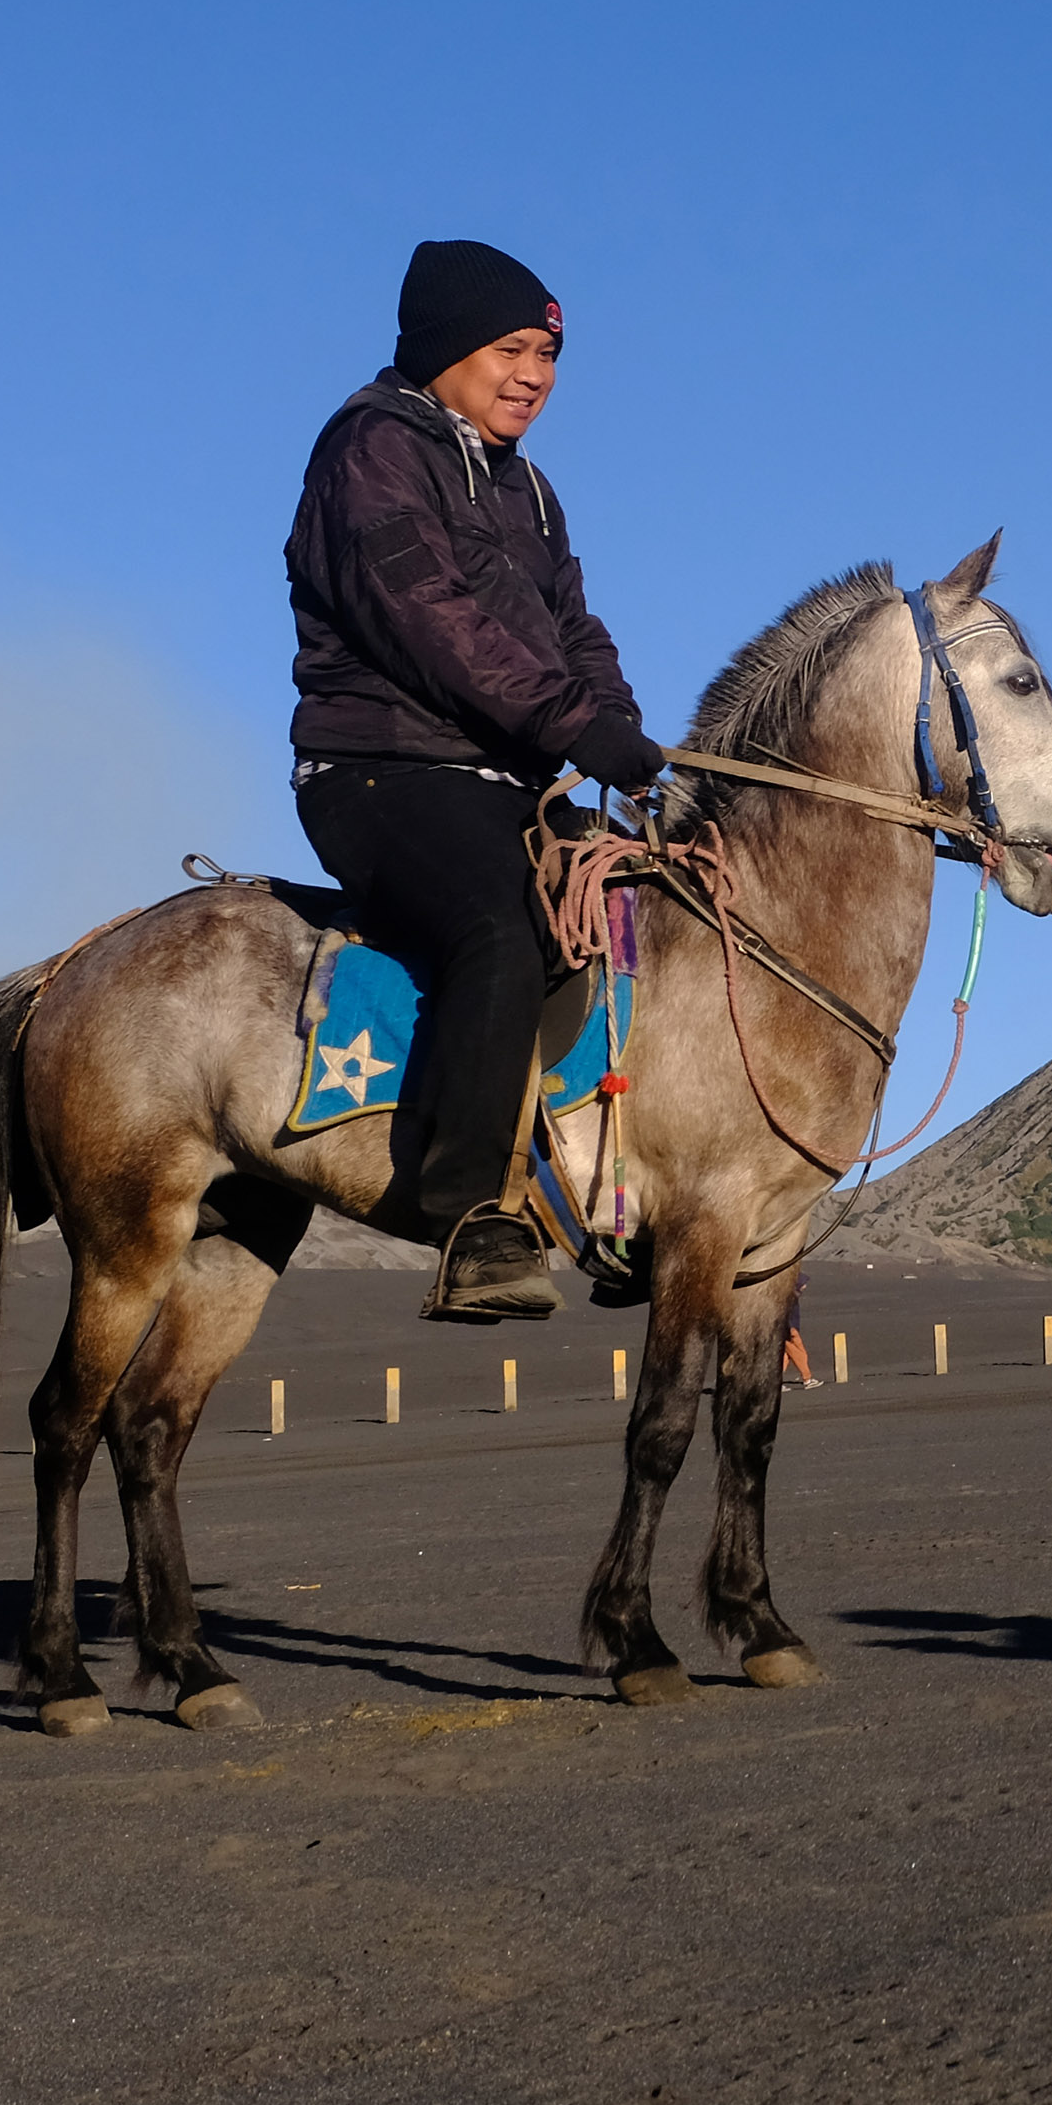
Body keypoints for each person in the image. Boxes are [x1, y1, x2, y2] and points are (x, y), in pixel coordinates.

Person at [283, 239, 668, 1322]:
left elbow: (575, 631)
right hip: (379, 773)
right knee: (498, 926)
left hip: (508, 780)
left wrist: (621, 733)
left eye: (548, 353)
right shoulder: (370, 451)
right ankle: (470, 1215)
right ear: (443, 350)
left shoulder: (530, 490)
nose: (534, 375)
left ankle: (616, 1197)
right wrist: (572, 723)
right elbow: (430, 621)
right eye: (510, 349)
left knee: (650, 923)